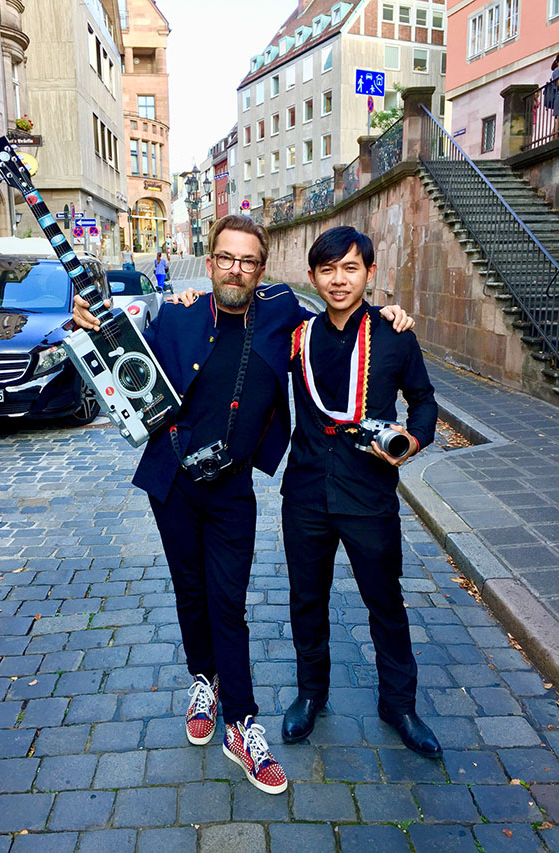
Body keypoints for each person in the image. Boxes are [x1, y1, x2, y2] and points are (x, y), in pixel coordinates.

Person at [72, 215, 412, 794]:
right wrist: (87, 322)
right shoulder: (175, 312)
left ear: (262, 269)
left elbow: (340, 322)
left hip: (232, 487)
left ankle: (242, 722)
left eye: (248, 261)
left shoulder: (280, 314)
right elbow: (119, 358)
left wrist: (387, 315)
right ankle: (202, 681)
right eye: (226, 258)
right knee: (191, 592)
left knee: (229, 601)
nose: (236, 269)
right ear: (209, 264)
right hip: (173, 482)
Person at [280, 226, 442, 760]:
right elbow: (239, 313)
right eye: (327, 269)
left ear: (370, 274)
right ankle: (311, 693)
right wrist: (191, 297)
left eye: (350, 268)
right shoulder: (298, 335)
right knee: (307, 599)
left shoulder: (396, 334)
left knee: (385, 602)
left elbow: (423, 401)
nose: (338, 279)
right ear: (313, 277)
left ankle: (399, 705)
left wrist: (411, 442)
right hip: (305, 489)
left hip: (368, 492)